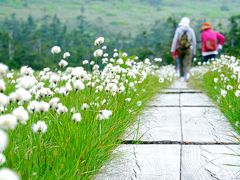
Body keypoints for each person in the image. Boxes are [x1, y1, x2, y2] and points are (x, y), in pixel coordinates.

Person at [171, 17, 196, 82]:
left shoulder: (178, 30)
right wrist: (194, 51)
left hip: (180, 48)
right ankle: (187, 74)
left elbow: (175, 40)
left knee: (181, 62)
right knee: (187, 63)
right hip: (188, 49)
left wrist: (173, 50)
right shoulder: (191, 30)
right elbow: (194, 42)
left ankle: (182, 76)